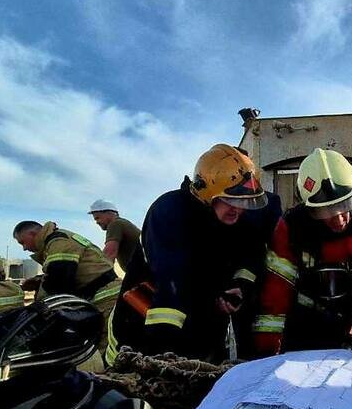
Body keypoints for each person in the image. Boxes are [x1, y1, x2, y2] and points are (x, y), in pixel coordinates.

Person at [106, 144, 281, 365]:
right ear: (207, 193)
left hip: (202, 334)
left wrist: (240, 286)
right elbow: (171, 289)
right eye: (231, 200)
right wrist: (163, 360)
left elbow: (251, 256)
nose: (238, 209)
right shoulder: (170, 213)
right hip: (142, 332)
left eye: (244, 201)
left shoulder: (237, 219)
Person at [253, 148, 352, 356]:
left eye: (345, 205)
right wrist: (267, 354)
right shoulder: (291, 228)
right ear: (308, 206)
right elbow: (276, 292)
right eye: (325, 211)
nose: (339, 219)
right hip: (307, 324)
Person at [12, 220, 121, 361]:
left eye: (23, 243)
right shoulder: (58, 241)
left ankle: (111, 380)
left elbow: (59, 281)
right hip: (103, 295)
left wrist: (38, 311)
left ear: (33, 233)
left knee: (105, 349)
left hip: (106, 298)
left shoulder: (58, 242)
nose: (24, 249)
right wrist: (39, 281)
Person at [88, 199, 141, 272]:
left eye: (98, 218)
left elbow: (109, 254)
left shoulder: (115, 224)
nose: (97, 222)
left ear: (109, 213)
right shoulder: (123, 223)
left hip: (143, 276)